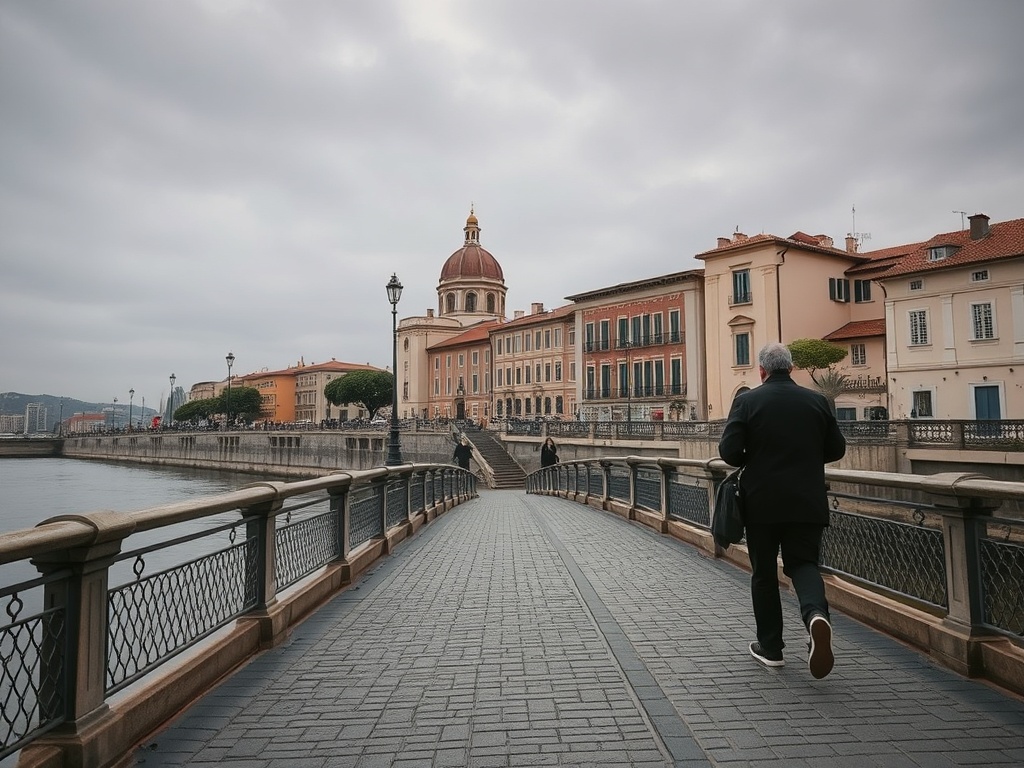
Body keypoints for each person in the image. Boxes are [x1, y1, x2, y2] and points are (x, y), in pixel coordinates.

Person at [718, 342, 846, 679]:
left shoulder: (747, 401)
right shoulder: (817, 400)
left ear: (762, 370)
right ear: (791, 369)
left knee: (763, 574)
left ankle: (771, 649)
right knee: (803, 565)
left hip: (761, 502)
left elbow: (730, 452)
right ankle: (816, 616)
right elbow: (836, 449)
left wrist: (757, 457)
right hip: (807, 499)